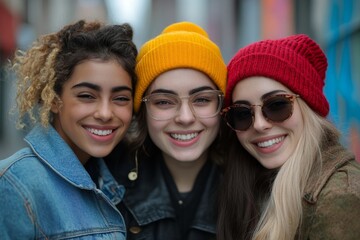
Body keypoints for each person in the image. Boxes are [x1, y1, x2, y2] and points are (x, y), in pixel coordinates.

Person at [0, 20, 138, 239]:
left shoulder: (114, 178)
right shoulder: (15, 185)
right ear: (54, 99)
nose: (105, 113)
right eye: (86, 96)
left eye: (120, 98)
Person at [217, 34, 360, 240]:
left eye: (276, 105)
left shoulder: (341, 197)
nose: (259, 124)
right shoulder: (249, 185)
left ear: (308, 108)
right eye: (242, 113)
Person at [105, 21, 227, 240]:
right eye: (164, 102)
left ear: (221, 106)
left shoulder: (253, 183)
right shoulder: (107, 182)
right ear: (142, 110)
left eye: (201, 99)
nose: (185, 118)